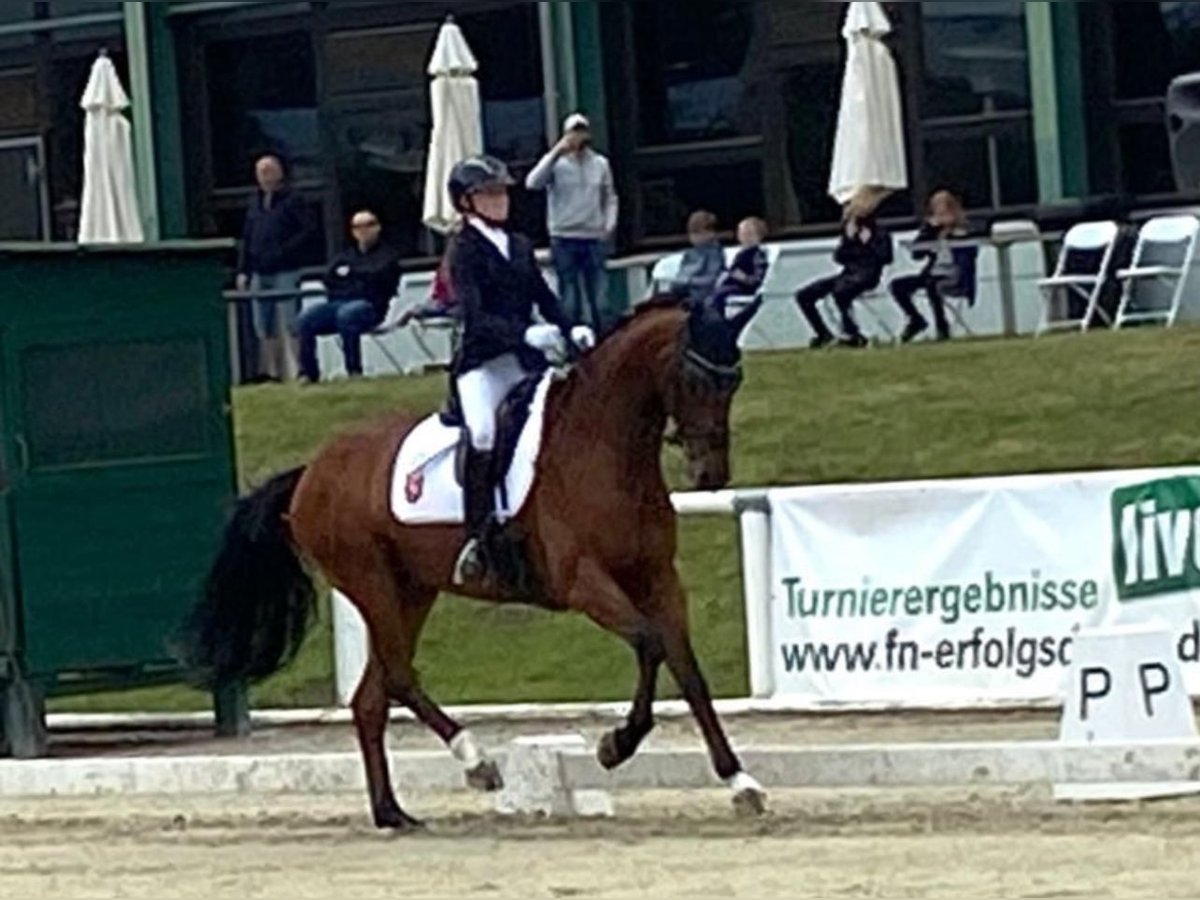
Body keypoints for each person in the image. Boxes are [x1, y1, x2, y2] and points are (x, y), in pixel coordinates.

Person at [448, 155, 595, 586]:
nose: (499, 200)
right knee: (483, 433)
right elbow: (476, 316)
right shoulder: (464, 250)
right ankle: (476, 534)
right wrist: (526, 335)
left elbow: (543, 297)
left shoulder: (519, 245)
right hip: (484, 362)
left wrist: (573, 327)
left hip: (524, 363)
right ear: (465, 202)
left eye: (501, 192)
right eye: (488, 194)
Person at [525, 112, 619, 333]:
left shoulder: (600, 163)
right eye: (573, 131)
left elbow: (610, 197)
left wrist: (609, 225)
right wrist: (556, 151)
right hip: (563, 238)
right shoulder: (556, 165)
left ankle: (604, 343)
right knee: (570, 299)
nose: (578, 136)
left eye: (581, 130)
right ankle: (572, 346)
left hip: (594, 237)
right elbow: (532, 183)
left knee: (600, 300)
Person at [296, 209, 401, 383]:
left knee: (348, 314)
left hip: (371, 307)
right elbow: (330, 279)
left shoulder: (387, 256)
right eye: (358, 227)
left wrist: (351, 276)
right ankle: (308, 374)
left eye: (369, 225)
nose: (363, 230)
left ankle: (354, 371)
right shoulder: (345, 255)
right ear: (352, 231)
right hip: (338, 303)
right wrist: (357, 279)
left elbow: (379, 281)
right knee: (306, 318)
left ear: (378, 227)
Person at [236, 154, 315, 381]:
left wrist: (284, 250)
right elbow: (247, 237)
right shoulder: (254, 202)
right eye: (261, 172)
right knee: (263, 324)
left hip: (286, 268)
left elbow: (308, 230)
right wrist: (243, 270)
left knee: (292, 321)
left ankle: (300, 369)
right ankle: (271, 373)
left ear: (280, 173)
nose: (265, 177)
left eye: (269, 171)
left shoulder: (293, 199)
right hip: (259, 271)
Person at [793, 186, 893, 349]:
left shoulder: (879, 232)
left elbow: (885, 257)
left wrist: (866, 244)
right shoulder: (849, 232)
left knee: (841, 292)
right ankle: (823, 333)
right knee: (804, 295)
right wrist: (850, 239)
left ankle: (851, 333)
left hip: (868, 276)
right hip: (847, 274)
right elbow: (839, 257)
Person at [891, 190, 971, 343]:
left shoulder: (963, 229)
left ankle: (942, 328)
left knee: (932, 285)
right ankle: (915, 319)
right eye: (937, 212)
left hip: (953, 274)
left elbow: (967, 254)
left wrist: (952, 232)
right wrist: (929, 230)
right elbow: (917, 255)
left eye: (944, 211)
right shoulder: (932, 231)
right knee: (898, 286)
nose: (941, 216)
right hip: (932, 272)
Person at [709, 216, 770, 315]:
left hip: (743, 288)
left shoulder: (758, 255)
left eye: (748, 234)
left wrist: (742, 277)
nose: (743, 237)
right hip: (732, 285)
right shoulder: (741, 253)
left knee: (720, 295)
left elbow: (757, 279)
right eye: (741, 233)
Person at [667, 211, 725, 305]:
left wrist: (688, 281)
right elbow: (680, 275)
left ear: (710, 233)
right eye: (691, 233)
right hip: (683, 292)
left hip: (701, 296)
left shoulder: (715, 253)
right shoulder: (690, 253)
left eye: (696, 233)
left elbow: (711, 279)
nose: (692, 237)